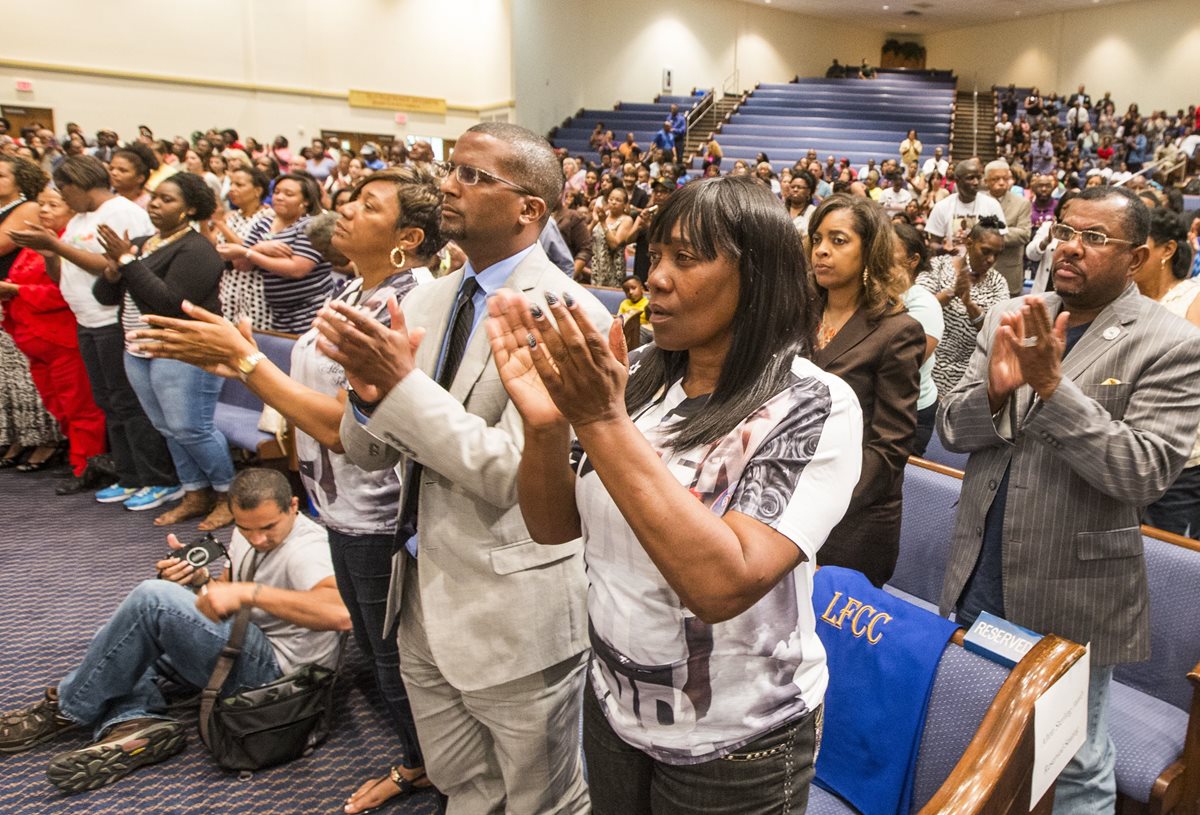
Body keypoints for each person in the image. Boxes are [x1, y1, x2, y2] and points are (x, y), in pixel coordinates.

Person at [485, 175, 862, 814]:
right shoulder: (632, 378)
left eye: (685, 260)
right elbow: (552, 527)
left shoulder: (812, 404)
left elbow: (723, 584)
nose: (656, 277)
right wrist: (547, 428)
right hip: (613, 703)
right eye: (655, 255)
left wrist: (599, 422)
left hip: (738, 737)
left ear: (758, 276)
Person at [128, 166, 444, 812]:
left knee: (393, 656)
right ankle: (421, 755)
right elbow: (313, 393)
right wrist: (248, 357)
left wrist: (248, 365)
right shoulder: (360, 285)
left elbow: (343, 424)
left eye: (368, 206)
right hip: (342, 502)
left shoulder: (406, 307)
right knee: (377, 644)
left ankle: (422, 766)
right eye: (351, 199)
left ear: (407, 237)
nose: (346, 212)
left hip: (381, 510)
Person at [326, 123, 608, 814]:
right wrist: (366, 402)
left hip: (515, 611)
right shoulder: (422, 298)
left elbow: (509, 473)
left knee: (541, 799)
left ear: (530, 210)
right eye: (452, 169)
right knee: (463, 786)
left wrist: (398, 390)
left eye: (475, 176)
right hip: (422, 595)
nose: (448, 185)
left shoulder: (571, 315)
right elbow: (366, 454)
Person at [939, 186, 1200, 814]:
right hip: (983, 568)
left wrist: (1053, 388)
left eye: (1094, 238)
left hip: (1072, 587)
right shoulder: (1019, 314)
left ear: (1137, 258)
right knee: (980, 738)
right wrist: (997, 396)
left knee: (1073, 761)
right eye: (1064, 231)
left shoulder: (1170, 342)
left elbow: (1143, 472)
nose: (1070, 248)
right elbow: (951, 426)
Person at [0, 468, 349, 793]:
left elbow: (341, 613)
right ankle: (134, 725)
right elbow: (226, 593)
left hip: (281, 678)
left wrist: (249, 592)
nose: (257, 539)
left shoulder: (308, 548)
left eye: (268, 528)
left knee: (151, 601)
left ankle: (65, 708)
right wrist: (199, 582)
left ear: (292, 506)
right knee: (121, 640)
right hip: (244, 644)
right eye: (246, 528)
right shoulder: (251, 531)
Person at [10, 156, 178, 504]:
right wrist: (49, 251)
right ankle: (129, 474)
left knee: (131, 404)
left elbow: (116, 266)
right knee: (108, 403)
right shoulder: (81, 218)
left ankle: (158, 479)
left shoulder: (120, 212)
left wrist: (58, 247)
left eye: (63, 190)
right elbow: (61, 276)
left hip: (114, 319)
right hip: (86, 320)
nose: (60, 199)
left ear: (79, 183)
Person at [92, 173, 234, 530]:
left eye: (167, 199)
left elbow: (170, 304)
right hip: (140, 346)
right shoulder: (140, 243)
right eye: (155, 197)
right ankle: (195, 492)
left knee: (191, 427)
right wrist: (113, 271)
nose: (155, 203)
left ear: (189, 209)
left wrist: (127, 263)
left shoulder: (199, 249)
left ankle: (229, 495)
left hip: (184, 346)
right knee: (166, 427)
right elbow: (106, 298)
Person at [807, 194, 923, 586]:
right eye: (817, 239)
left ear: (869, 250)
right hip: (790, 502)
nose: (821, 251)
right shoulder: (800, 315)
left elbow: (891, 447)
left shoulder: (896, 331)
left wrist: (823, 500)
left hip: (854, 519)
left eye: (838, 241)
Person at [0, 183, 106, 480]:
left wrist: (16, 291)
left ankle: (86, 467)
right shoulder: (37, 241)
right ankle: (77, 459)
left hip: (62, 339)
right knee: (57, 405)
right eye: (42, 205)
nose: (44, 211)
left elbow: (64, 292)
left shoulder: (70, 244)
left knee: (80, 407)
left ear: (71, 210)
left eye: (53, 206)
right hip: (33, 340)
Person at [1134, 208, 1200, 537]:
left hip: (1179, 460)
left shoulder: (1192, 298)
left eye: (1140, 245)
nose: (1131, 254)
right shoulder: (1122, 299)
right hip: (1123, 454)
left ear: (1167, 250)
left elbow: (1183, 373)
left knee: (1165, 558)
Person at [221, 173, 333, 334]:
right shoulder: (263, 224)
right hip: (276, 313)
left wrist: (249, 253)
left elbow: (297, 269)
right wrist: (259, 248)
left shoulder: (310, 225)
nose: (279, 197)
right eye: (277, 192)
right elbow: (242, 265)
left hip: (310, 310)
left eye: (289, 194)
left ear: (306, 201)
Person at [918, 215, 1009, 397]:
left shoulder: (999, 283)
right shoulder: (938, 266)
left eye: (997, 254)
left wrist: (970, 305)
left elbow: (995, 334)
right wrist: (952, 292)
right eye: (986, 251)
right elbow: (917, 313)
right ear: (969, 243)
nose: (991, 259)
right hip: (925, 370)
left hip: (967, 378)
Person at [894, 221, 944, 456]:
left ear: (912, 260)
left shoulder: (923, 303)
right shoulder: (871, 294)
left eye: (888, 248)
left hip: (911, 412)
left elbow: (905, 365)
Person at [210, 166, 275, 329]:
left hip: (254, 290)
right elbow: (211, 246)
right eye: (231, 184)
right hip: (228, 287)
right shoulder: (231, 216)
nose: (232, 189)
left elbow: (246, 253)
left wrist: (220, 224)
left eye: (239, 185)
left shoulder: (269, 217)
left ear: (257, 190)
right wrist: (207, 221)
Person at [925, 158, 1006, 254]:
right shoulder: (942, 207)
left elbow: (1000, 241)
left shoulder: (992, 205)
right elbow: (932, 243)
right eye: (970, 178)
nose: (976, 182)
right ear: (957, 181)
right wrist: (943, 248)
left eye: (978, 177)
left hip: (982, 266)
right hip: (950, 265)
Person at [982, 160, 1032, 297]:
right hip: (979, 272)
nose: (1002, 182)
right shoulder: (978, 202)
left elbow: (1024, 234)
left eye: (1005, 178)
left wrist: (989, 235)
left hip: (1008, 272)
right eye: (996, 179)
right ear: (986, 181)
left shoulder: (1021, 203)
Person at [590, 185, 636, 287]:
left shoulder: (626, 220)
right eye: (611, 199)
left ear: (625, 204)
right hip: (597, 268)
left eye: (618, 200)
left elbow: (614, 244)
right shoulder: (603, 215)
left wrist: (603, 223)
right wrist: (594, 221)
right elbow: (588, 236)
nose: (613, 202)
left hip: (613, 271)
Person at [786, 170, 817, 237]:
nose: (795, 190)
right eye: (792, 187)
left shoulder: (814, 212)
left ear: (808, 191)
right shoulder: (780, 209)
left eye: (799, 187)